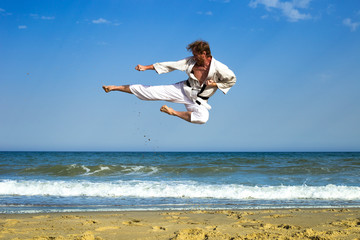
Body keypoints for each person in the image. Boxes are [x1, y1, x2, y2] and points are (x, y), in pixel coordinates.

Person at [102, 40, 236, 124]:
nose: (193, 57)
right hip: (182, 90)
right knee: (148, 92)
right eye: (193, 54)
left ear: (204, 53)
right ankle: (113, 87)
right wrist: (146, 67)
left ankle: (173, 112)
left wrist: (216, 84)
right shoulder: (190, 61)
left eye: (196, 54)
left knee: (203, 118)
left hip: (198, 100)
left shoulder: (219, 67)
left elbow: (232, 80)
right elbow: (171, 65)